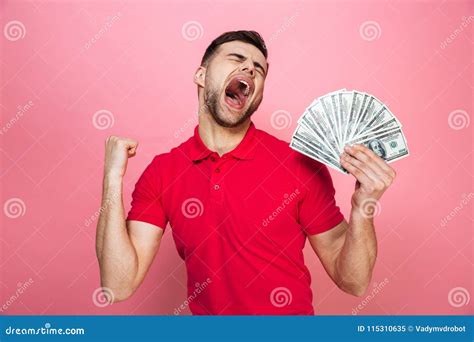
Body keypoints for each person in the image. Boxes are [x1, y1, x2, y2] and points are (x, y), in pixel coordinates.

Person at [95, 30, 396, 315]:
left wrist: (362, 208)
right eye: (236, 59)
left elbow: (353, 282)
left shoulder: (298, 165)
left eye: (259, 69)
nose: (250, 70)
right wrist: (112, 179)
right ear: (201, 76)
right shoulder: (163, 171)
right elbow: (118, 284)